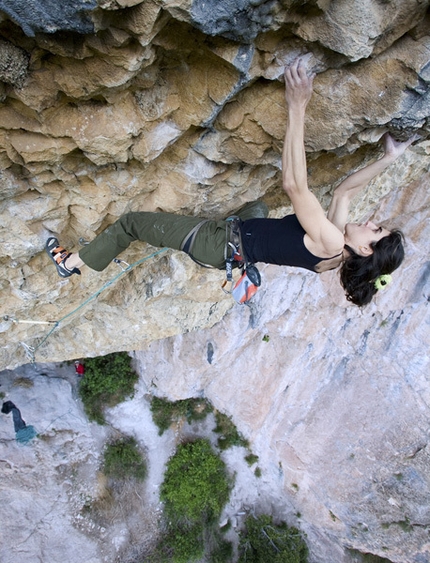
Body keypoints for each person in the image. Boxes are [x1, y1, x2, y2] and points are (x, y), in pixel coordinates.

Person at [46, 59, 417, 307]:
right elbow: (345, 190)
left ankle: (72, 263)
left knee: (130, 223)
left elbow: (294, 184)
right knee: (260, 209)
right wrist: (389, 158)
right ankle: (205, 231)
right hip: (239, 240)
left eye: (375, 231)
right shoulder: (335, 250)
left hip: (217, 243)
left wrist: (297, 106)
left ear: (366, 251)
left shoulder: (333, 241)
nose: (371, 223)